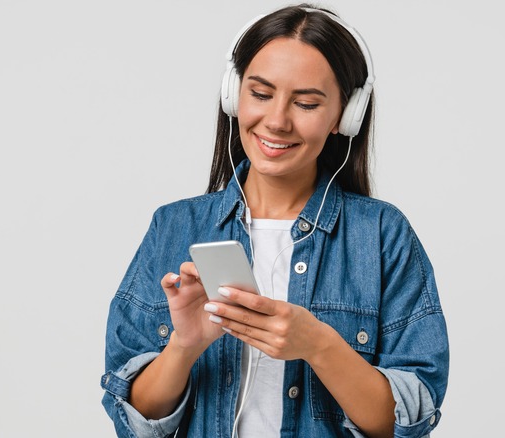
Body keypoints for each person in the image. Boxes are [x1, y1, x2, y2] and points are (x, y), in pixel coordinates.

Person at [101, 4, 449, 437]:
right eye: (261, 94)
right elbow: (134, 420)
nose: (277, 121)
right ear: (234, 94)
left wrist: (318, 344)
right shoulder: (174, 226)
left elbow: (403, 425)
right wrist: (185, 346)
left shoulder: (381, 235)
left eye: (305, 103)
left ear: (347, 114)